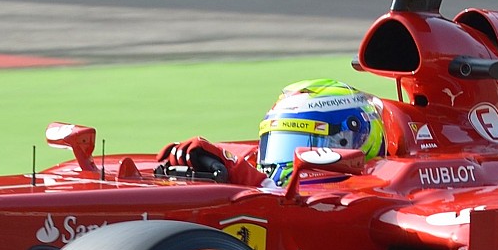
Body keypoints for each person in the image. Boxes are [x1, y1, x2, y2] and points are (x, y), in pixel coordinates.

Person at [155, 79, 385, 186]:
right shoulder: (260, 163)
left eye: (303, 141)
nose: (279, 160)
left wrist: (243, 175)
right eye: (279, 144)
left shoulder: (370, 189)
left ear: (348, 140)